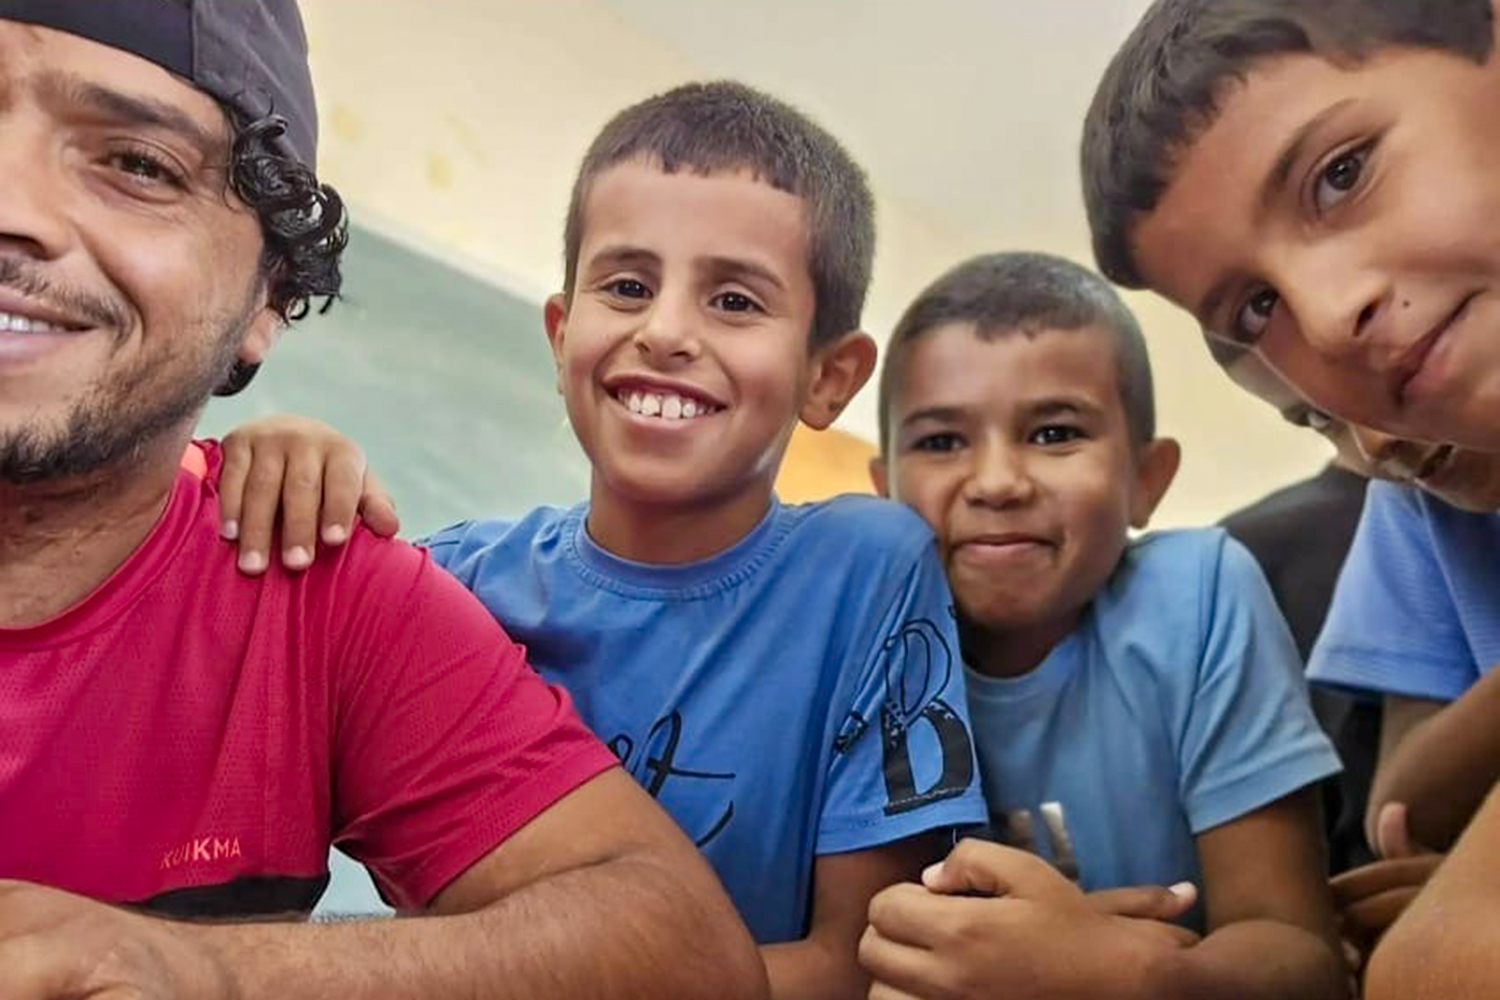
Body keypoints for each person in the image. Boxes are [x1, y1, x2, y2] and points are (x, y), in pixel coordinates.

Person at [0, 5, 768, 999]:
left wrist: (201, 967)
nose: (13, 200)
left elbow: (687, 955)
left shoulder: (304, 580)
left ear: (267, 300)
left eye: (139, 165)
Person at [207, 80, 989, 1000]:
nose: (665, 332)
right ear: (561, 331)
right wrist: (281, 461)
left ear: (829, 376)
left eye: (734, 301)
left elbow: (850, 963)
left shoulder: (869, 570)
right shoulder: (447, 583)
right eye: (626, 286)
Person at [1081, 2, 1500, 994]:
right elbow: (1401, 816)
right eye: (1257, 307)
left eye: (1341, 173)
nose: (1327, 314)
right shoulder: (1415, 513)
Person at [856, 253, 1347, 1000]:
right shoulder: (866, 653)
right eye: (941, 441)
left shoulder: (1199, 596)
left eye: (1054, 434)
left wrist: (1126, 973)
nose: (996, 483)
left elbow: (1303, 959)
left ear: (1146, 481)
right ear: (884, 493)